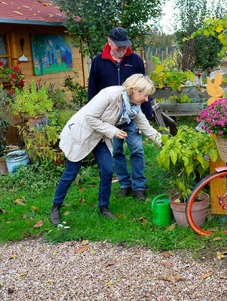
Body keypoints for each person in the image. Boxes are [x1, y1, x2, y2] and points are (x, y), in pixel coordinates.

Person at [50, 74, 162, 225]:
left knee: (107, 171)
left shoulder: (134, 108)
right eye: (145, 94)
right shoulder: (110, 94)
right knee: (71, 173)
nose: (146, 99)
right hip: (82, 134)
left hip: (100, 137)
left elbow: (147, 129)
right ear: (135, 90)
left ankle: (104, 207)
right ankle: (56, 206)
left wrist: (167, 144)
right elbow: (90, 117)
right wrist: (113, 131)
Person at [88, 27, 152, 201]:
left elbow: (144, 88)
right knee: (116, 151)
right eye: (119, 46)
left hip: (132, 114)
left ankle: (139, 186)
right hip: (110, 119)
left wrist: (147, 113)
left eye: (125, 46)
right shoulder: (99, 61)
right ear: (109, 42)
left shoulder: (135, 60)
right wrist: (94, 114)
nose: (123, 49)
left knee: (137, 149)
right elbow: (93, 90)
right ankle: (125, 184)